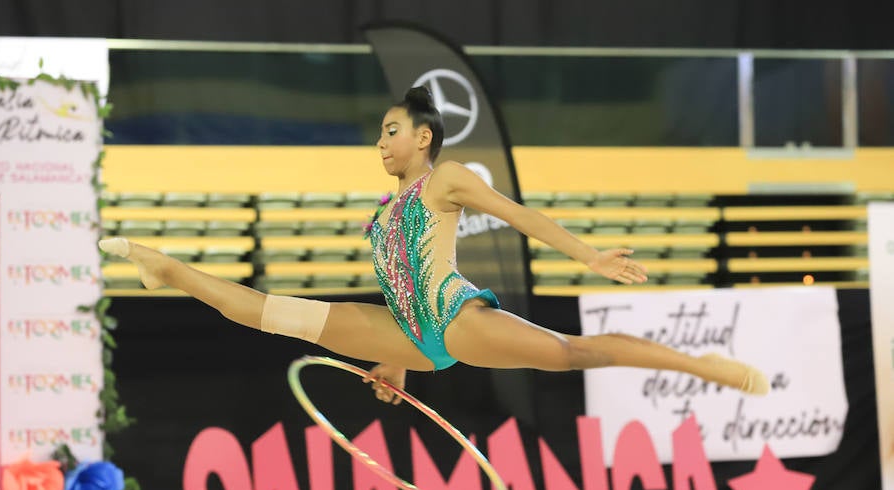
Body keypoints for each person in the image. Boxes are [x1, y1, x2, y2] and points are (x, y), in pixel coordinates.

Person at [99, 87, 768, 404]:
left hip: (453, 318)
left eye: (392, 130)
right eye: (380, 133)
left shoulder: (443, 180)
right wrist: (399, 363)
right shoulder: (384, 211)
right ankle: (169, 268)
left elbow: (517, 213)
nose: (381, 141)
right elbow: (398, 286)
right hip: (409, 334)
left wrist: (587, 256)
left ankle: (702, 364)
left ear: (423, 137)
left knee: (574, 354)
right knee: (273, 313)